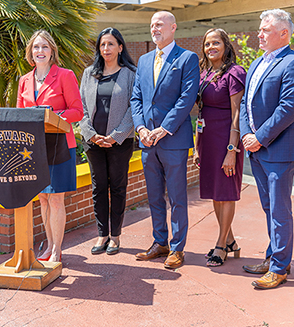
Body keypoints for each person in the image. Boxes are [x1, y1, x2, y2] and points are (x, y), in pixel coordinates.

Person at [239, 9, 294, 289]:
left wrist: (260, 137)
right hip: (256, 149)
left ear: (284, 33)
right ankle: (274, 256)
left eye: (266, 29)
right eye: (260, 29)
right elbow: (245, 103)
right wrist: (246, 134)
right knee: (269, 208)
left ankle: (280, 267)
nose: (259, 33)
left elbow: (288, 109)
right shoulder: (257, 63)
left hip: (280, 150)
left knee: (280, 210)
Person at [131, 11, 200, 269]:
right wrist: (140, 129)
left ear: (173, 28)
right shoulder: (144, 60)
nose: (154, 29)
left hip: (173, 140)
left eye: (159, 24)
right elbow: (136, 99)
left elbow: (186, 99)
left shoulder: (187, 58)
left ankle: (177, 248)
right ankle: (159, 242)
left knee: (178, 197)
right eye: (151, 25)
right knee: (154, 196)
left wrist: (164, 129)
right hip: (147, 141)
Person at [17, 30, 83, 262]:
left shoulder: (65, 75)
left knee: (56, 199)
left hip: (60, 145)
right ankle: (48, 246)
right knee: (43, 198)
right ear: (30, 52)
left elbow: (78, 111)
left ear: (52, 51)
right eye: (36, 47)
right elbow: (19, 114)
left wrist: (51, 115)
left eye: (45, 47)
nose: (40, 51)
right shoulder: (24, 80)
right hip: (34, 147)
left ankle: (57, 249)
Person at [79, 28, 136, 255]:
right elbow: (81, 107)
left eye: (111, 44)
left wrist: (116, 135)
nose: (106, 49)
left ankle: (116, 236)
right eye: (102, 45)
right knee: (98, 188)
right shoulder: (88, 73)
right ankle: (102, 235)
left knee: (118, 188)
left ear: (120, 47)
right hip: (93, 142)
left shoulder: (131, 73)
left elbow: (135, 107)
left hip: (119, 143)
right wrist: (90, 134)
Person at [193, 28, 246, 267]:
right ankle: (231, 240)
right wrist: (196, 146)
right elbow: (200, 112)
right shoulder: (203, 73)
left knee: (225, 193)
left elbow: (237, 114)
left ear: (226, 45)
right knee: (216, 192)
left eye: (216, 43)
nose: (211, 47)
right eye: (207, 44)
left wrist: (232, 150)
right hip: (208, 140)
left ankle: (221, 244)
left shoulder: (234, 73)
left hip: (226, 139)